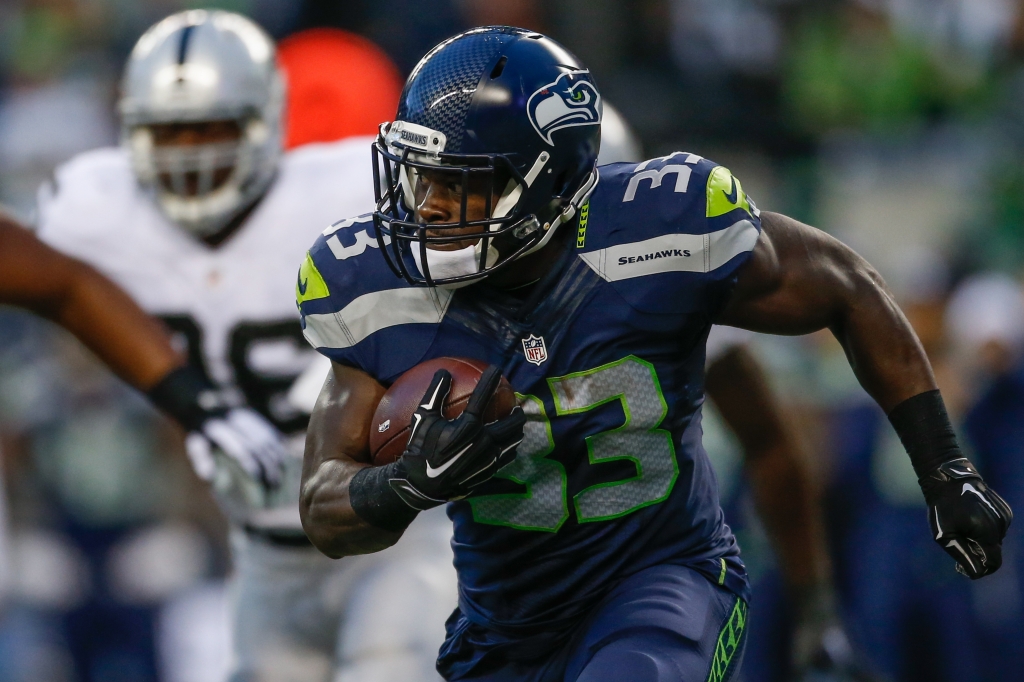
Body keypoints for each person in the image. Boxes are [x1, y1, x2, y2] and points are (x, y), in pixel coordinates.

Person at [297, 26, 1011, 682]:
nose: (428, 207)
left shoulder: (660, 238)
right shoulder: (373, 289)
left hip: (664, 584)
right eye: (423, 177)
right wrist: (401, 487)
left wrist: (944, 469)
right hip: (502, 626)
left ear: (547, 179)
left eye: (462, 183)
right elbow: (324, 511)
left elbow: (847, 289)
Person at [35, 11, 452, 682]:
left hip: (396, 533)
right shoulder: (94, 207)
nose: (191, 153)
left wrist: (356, 368)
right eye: (169, 131)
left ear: (267, 120)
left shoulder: (348, 188)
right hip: (261, 553)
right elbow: (53, 286)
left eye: (212, 127)